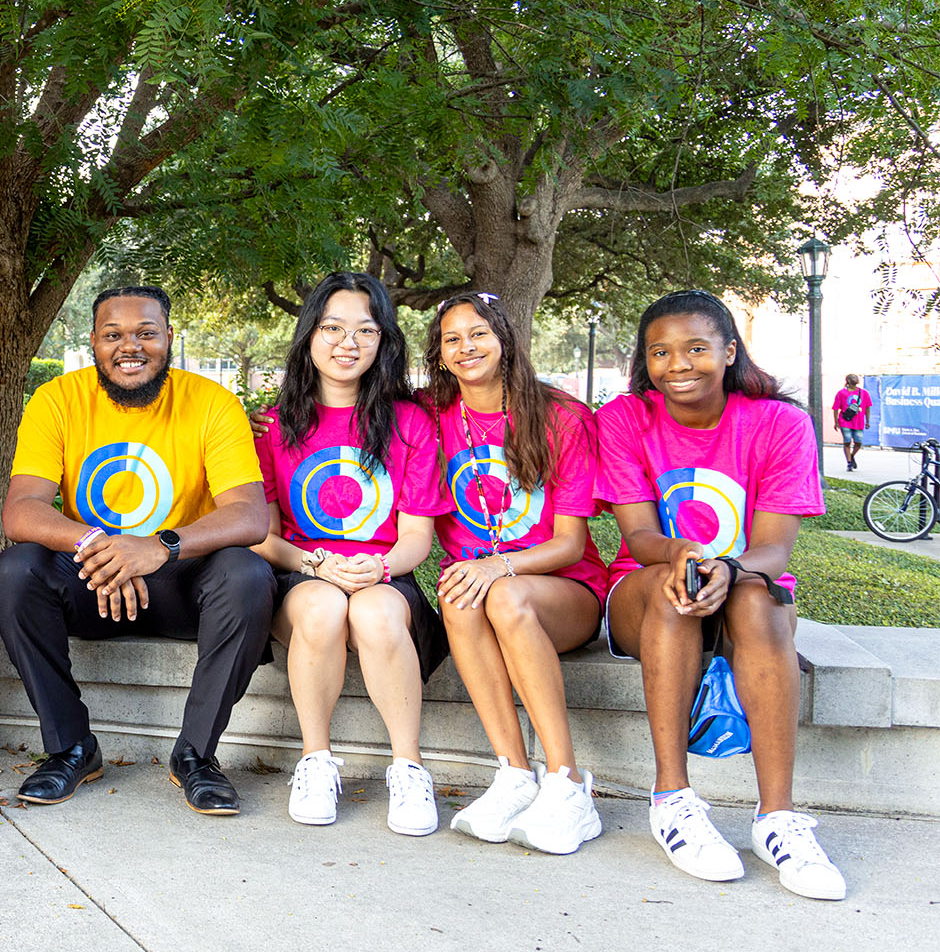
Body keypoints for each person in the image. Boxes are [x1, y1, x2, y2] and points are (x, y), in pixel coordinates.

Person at [597, 289, 845, 900]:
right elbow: (638, 535)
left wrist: (727, 569)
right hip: (645, 587)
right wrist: (683, 556)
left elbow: (775, 553)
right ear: (645, 362)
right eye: (660, 352)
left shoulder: (781, 423)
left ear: (730, 352)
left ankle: (777, 818)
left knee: (759, 599)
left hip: (743, 589)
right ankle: (673, 799)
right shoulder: (626, 418)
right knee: (673, 585)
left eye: (696, 348)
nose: (678, 364)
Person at [0, 285, 273, 815]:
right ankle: (72, 747)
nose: (131, 346)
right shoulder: (57, 399)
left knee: (246, 575)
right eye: (113, 334)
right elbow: (21, 511)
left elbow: (249, 516)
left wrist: (160, 547)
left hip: (180, 582)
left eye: (147, 333)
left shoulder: (212, 402)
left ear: (169, 337)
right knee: (14, 570)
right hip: (92, 578)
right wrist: (99, 545)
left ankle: (196, 755)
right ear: (93, 341)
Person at [250, 273, 447, 836]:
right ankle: (316, 762)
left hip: (382, 578)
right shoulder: (272, 425)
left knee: (375, 610)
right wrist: (315, 564)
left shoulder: (410, 423)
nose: (347, 342)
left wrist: (380, 566)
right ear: (309, 335)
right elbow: (263, 536)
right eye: (332, 327)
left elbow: (416, 538)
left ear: (384, 340)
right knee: (322, 608)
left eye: (365, 329)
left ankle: (408, 769)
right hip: (303, 576)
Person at [424, 292, 607, 853]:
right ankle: (513, 774)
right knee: (457, 594)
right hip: (480, 586)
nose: (466, 347)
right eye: (451, 339)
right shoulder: (429, 415)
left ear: (504, 338)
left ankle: (569, 783)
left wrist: (496, 565)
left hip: (563, 590)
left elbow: (570, 543)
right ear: (440, 354)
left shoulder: (561, 416)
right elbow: (347, 411)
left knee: (500, 596)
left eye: (477, 333)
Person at [832, 374, 871, 473]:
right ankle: (849, 462)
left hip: (859, 421)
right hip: (845, 421)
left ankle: (852, 456)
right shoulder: (841, 393)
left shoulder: (863, 393)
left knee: (858, 443)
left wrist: (868, 421)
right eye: (853, 378)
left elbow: (867, 407)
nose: (856, 379)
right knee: (847, 441)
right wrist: (836, 422)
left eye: (856, 377)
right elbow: (836, 408)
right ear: (848, 380)